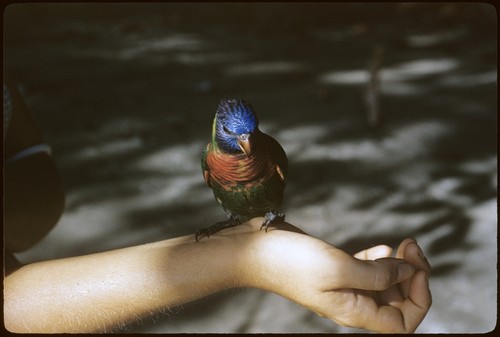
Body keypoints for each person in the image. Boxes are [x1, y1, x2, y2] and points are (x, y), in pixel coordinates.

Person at [3, 78, 432, 333]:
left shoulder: (267, 153)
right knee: (232, 218)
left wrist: (254, 251)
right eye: (236, 134)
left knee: (261, 217)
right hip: (238, 220)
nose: (247, 143)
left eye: (251, 133)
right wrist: (246, 256)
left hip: (265, 213)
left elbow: (35, 165)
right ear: (218, 129)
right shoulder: (211, 162)